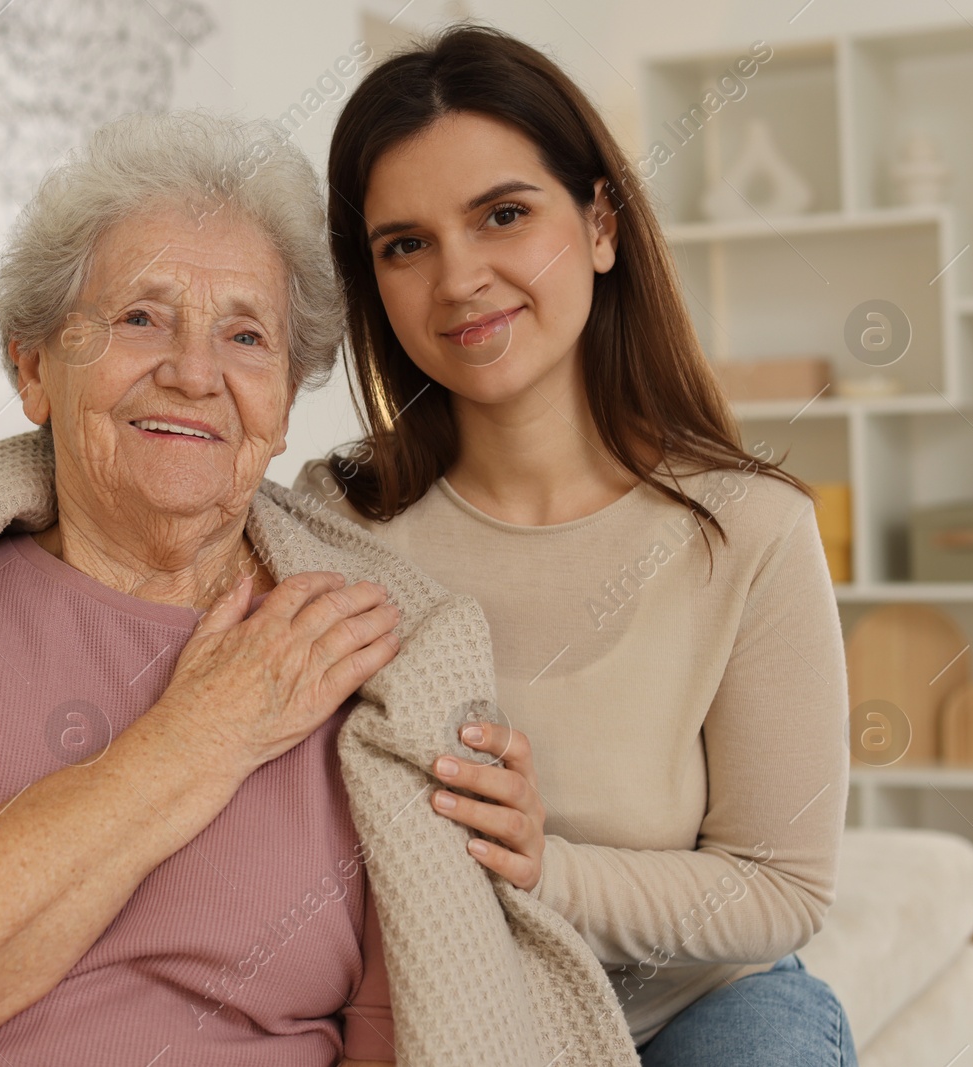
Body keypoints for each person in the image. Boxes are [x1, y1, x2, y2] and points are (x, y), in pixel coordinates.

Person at [0, 111, 438, 1065]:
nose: (194, 372)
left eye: (246, 336)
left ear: (285, 404)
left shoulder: (350, 651)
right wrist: (201, 736)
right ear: (34, 368)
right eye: (140, 318)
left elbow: (407, 1031)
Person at [297, 24, 857, 1067]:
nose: (459, 278)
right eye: (404, 244)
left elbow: (781, 888)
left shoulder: (748, 529)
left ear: (600, 223)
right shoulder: (337, 520)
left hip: (699, 1005)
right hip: (447, 997)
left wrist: (539, 867)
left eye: (503, 215)